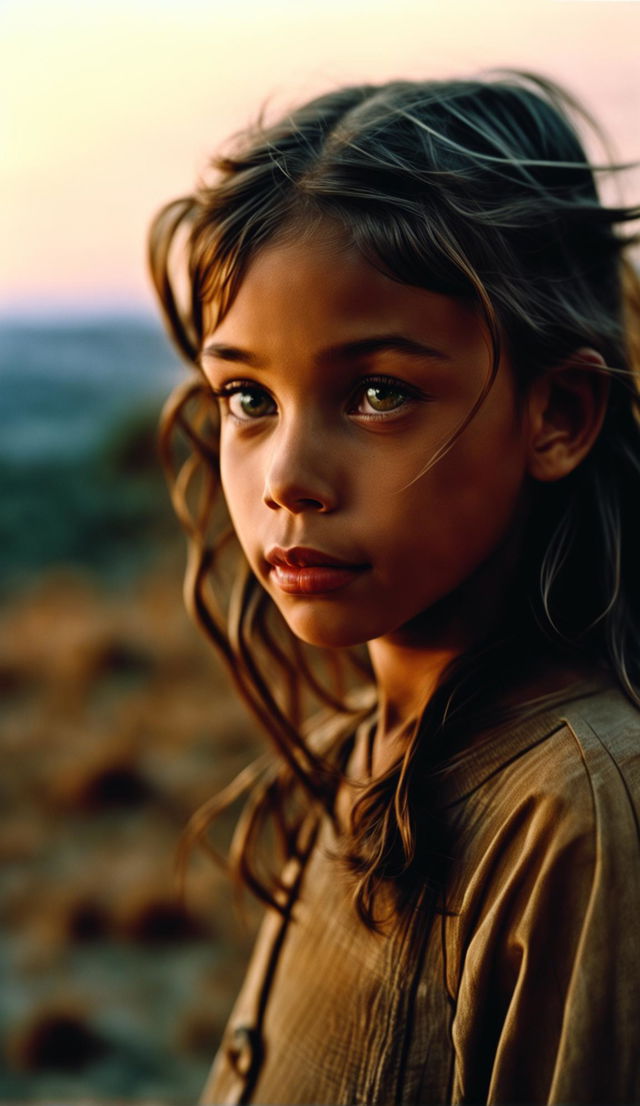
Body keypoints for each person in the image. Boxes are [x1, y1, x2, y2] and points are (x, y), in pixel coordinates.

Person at [148, 71, 640, 1104]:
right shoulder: (353, 752)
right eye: (247, 396)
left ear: (557, 414)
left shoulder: (579, 812)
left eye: (376, 393)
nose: (285, 477)